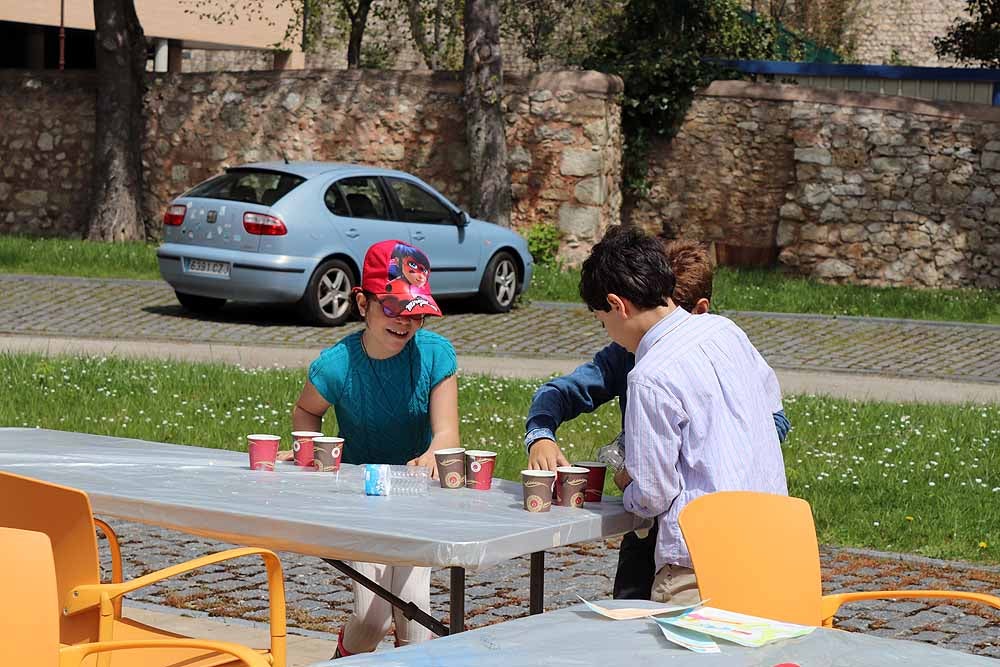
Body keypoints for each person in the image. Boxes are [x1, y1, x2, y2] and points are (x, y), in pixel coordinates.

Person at [525, 239, 790, 599]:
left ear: (617, 305)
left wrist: (628, 482)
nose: (608, 334)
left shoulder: (650, 376)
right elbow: (770, 410)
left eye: (603, 323)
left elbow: (653, 495)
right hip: (770, 544)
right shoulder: (726, 331)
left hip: (699, 562)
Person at [290, 239, 459, 657]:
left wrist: (434, 452)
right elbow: (306, 411)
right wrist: (309, 450)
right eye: (392, 307)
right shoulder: (336, 364)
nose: (404, 322)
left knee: (417, 621)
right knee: (371, 619)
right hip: (360, 501)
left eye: (415, 312)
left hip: (415, 501)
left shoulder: (435, 355)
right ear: (362, 303)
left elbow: (447, 434)